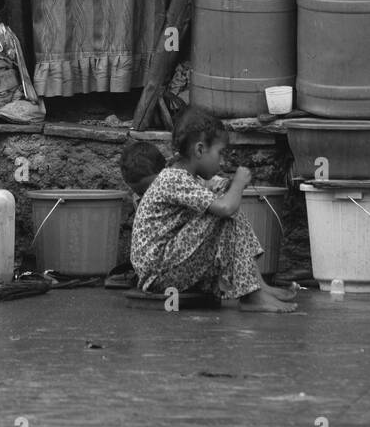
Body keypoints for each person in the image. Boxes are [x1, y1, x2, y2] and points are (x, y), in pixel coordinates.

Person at [129, 106, 297, 313]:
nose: (223, 161)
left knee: (227, 207)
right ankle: (251, 295)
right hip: (158, 272)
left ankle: (257, 287)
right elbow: (225, 208)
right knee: (225, 212)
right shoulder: (173, 178)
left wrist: (230, 186)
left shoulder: (190, 177)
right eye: (219, 153)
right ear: (199, 150)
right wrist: (237, 184)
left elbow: (219, 193)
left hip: (170, 264)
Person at [105, 140, 167, 289]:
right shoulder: (138, 198)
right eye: (140, 192)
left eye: (150, 190)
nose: (147, 197)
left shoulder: (176, 187)